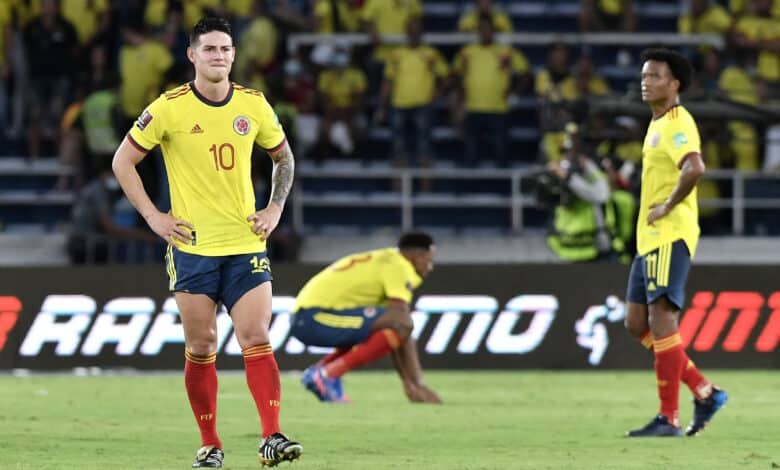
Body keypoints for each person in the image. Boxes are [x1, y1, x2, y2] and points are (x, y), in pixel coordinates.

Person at [111, 17, 302, 468]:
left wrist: (275, 208)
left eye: (226, 49)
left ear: (234, 55)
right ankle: (210, 444)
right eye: (210, 49)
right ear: (192, 55)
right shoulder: (169, 107)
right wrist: (154, 217)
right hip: (192, 246)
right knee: (202, 346)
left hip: (244, 243)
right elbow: (123, 161)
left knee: (255, 335)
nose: (219, 56)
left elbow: (283, 157)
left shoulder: (254, 105)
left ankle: (271, 436)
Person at [624, 48, 728, 438]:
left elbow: (695, 166)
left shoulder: (676, 121)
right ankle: (704, 391)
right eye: (643, 76)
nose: (645, 82)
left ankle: (668, 417)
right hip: (649, 239)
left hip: (669, 235)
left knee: (662, 322)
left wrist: (668, 205)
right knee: (636, 322)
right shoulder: (656, 123)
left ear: (675, 84)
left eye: (655, 76)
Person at [289, 232, 442, 404]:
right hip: (313, 317)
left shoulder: (387, 259)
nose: (430, 267)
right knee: (400, 323)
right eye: (429, 260)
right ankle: (326, 374)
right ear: (416, 255)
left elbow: (401, 331)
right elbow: (403, 322)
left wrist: (412, 384)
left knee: (391, 327)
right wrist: (416, 384)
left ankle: (322, 372)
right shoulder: (398, 266)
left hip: (308, 316)